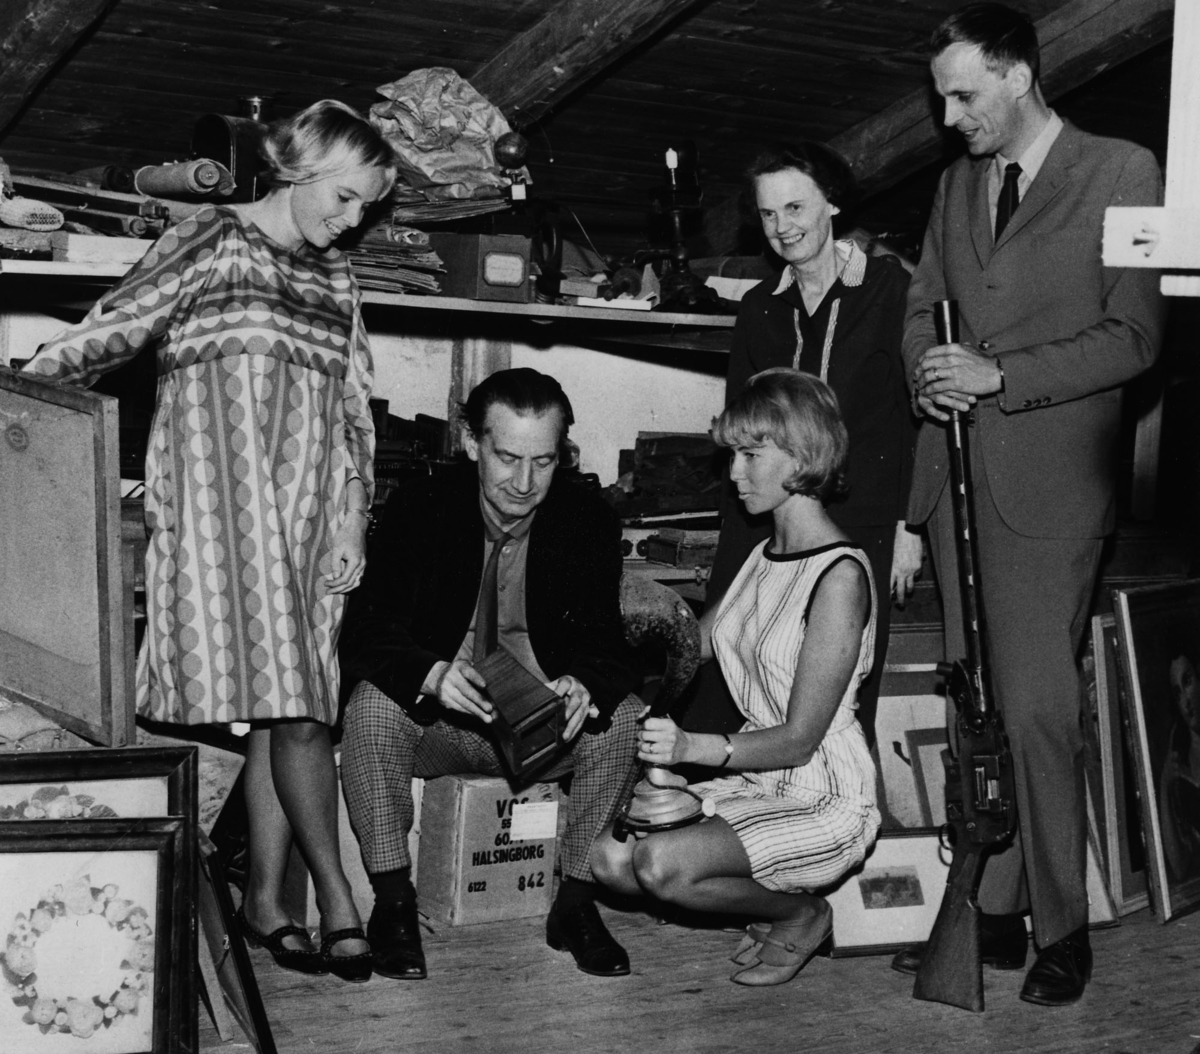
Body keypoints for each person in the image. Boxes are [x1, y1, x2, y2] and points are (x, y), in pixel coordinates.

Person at [22, 99, 398, 983]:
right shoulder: (210, 240)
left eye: (367, 207)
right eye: (344, 197)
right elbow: (106, 332)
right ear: (299, 168)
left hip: (312, 524)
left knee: (288, 702)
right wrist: (19, 408)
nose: (352, 221)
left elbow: (355, 414)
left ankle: (268, 900)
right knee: (297, 710)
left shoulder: (337, 280)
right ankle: (337, 902)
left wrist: (352, 515)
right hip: (223, 518)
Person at [896, 3, 1164, 1006]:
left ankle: (1064, 927)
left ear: (1017, 75)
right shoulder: (954, 183)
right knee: (981, 708)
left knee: (1042, 710)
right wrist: (928, 370)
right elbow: (921, 306)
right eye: (940, 98)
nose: (949, 117)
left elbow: (1135, 338)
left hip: (1050, 489)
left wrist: (998, 375)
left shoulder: (1124, 171)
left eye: (964, 94)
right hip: (954, 480)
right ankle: (994, 910)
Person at [338, 367, 641, 980]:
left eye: (543, 462)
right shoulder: (420, 507)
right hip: (442, 726)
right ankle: (393, 905)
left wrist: (583, 682)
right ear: (471, 442)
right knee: (372, 705)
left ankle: (575, 905)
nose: (524, 483)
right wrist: (430, 674)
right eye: (507, 458)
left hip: (541, 731)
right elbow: (368, 632)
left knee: (625, 718)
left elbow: (608, 644)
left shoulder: (587, 520)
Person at [592, 368, 881, 987]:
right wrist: (594, 643)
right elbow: (692, 645)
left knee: (662, 866)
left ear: (802, 455)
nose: (734, 473)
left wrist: (689, 748)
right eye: (733, 455)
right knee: (611, 860)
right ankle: (762, 904)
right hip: (756, 779)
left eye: (751, 455)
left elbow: (799, 739)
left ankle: (802, 913)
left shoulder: (839, 578)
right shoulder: (761, 555)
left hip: (821, 793)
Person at [703, 142, 922, 750]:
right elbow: (741, 429)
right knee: (732, 673)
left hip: (865, 517)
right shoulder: (759, 308)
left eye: (795, 207)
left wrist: (911, 525)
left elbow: (916, 419)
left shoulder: (890, 290)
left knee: (841, 694)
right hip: (770, 523)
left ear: (832, 203)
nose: (783, 227)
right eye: (769, 214)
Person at [1160, 642, 1200, 885]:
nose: (1185, 700)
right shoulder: (1178, 751)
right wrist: (1164, 785)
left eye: (1188, 681)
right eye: (1177, 692)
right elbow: (1178, 867)